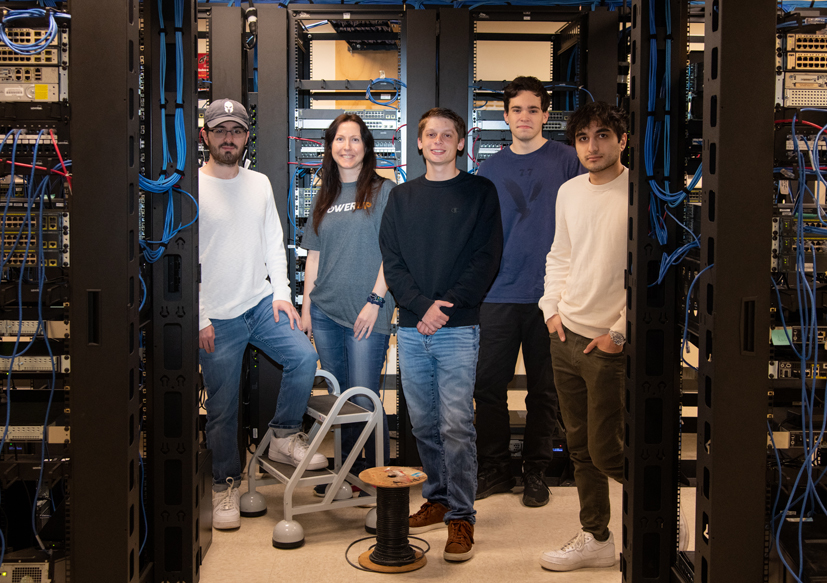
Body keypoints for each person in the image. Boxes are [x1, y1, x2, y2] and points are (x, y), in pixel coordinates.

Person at [379, 107, 503, 562]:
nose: (438, 141)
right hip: (411, 327)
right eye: (430, 134)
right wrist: (419, 307)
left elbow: (486, 258)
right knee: (425, 424)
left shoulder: (479, 192)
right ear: (419, 142)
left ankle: (462, 517)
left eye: (447, 135)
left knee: (455, 424)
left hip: (457, 327)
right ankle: (437, 496)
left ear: (460, 142)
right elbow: (392, 260)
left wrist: (442, 308)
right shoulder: (402, 197)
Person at [198, 99, 325, 531]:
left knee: (303, 358)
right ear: (206, 137)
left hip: (259, 303)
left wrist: (283, 295)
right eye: (220, 131)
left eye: (235, 130)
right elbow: (184, 258)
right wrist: (199, 317)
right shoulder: (190, 186)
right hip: (217, 316)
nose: (228, 138)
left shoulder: (259, 183)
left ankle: (284, 435)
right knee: (222, 408)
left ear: (246, 137)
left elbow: (274, 241)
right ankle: (224, 485)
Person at [473, 76, 583, 507]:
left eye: (533, 109)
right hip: (498, 294)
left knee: (545, 390)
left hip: (553, 297)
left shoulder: (569, 160)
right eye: (517, 109)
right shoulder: (491, 168)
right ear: (505, 116)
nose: (524, 116)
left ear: (545, 114)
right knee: (487, 388)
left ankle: (536, 471)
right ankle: (497, 469)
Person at [537, 101, 627, 571]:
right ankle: (596, 536)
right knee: (578, 446)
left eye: (602, 136)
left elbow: (651, 274)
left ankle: (662, 513)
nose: (592, 146)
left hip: (608, 346)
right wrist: (551, 310)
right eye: (583, 138)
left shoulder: (639, 193)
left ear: (622, 141)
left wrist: (620, 332)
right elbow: (560, 254)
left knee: (605, 448)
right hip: (566, 335)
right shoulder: (569, 191)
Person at [299, 114, 395, 495]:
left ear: (366, 146)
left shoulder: (384, 191)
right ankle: (347, 476)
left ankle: (378, 481)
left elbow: (394, 252)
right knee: (340, 400)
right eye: (341, 139)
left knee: (364, 396)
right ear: (331, 145)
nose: (347, 147)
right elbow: (314, 258)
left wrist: (375, 301)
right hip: (324, 311)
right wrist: (307, 307)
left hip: (367, 311)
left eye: (355, 140)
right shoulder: (326, 194)